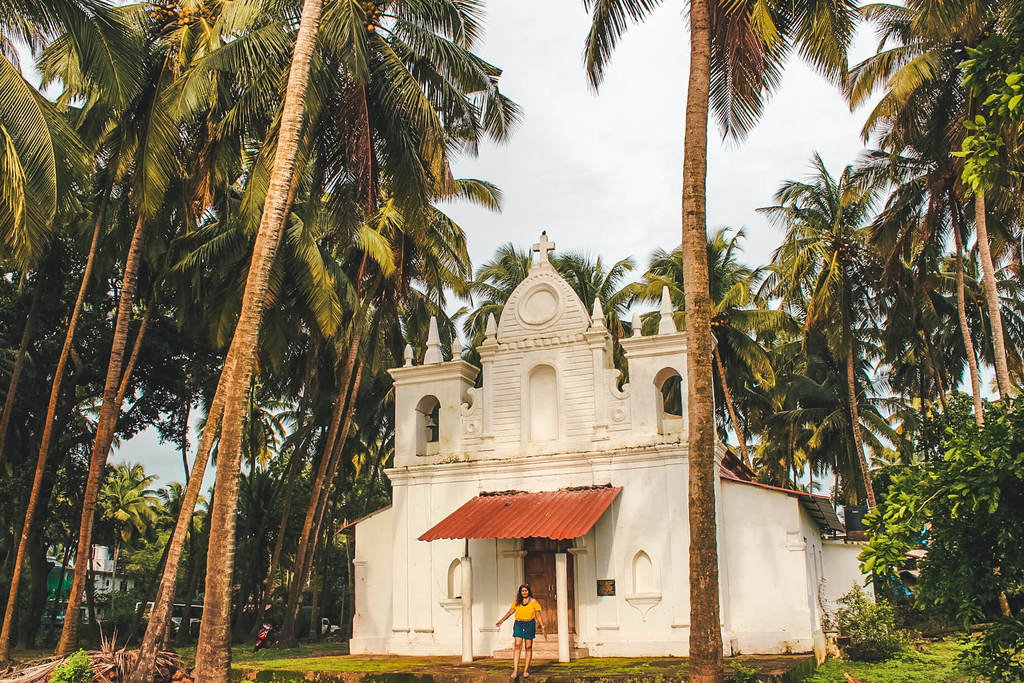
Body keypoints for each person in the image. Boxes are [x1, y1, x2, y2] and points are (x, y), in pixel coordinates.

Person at [495, 583, 546, 678]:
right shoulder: (517, 601)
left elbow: (538, 614)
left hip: (529, 624)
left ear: (528, 591)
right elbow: (510, 611)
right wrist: (501, 620)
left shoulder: (534, 601)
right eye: (522, 591)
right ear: (520, 592)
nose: (524, 592)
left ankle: (526, 670)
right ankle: (515, 670)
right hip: (519, 624)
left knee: (528, 646)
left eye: (526, 590)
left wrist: (542, 626)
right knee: (517, 645)